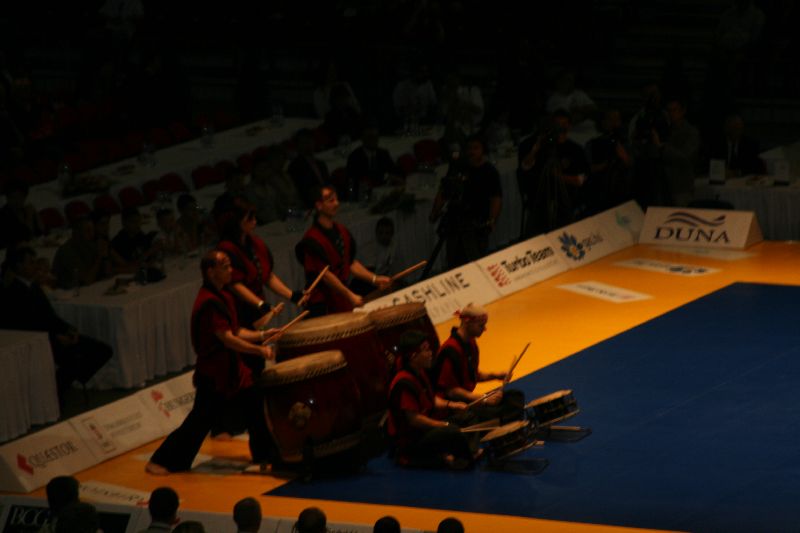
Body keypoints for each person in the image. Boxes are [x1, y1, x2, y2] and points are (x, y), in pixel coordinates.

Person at [145, 250, 280, 475]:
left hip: (233, 369)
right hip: (215, 372)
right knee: (200, 419)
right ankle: (163, 460)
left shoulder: (224, 295)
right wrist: (259, 350)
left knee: (255, 403)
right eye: (225, 267)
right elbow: (227, 339)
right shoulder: (208, 302)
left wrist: (262, 335)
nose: (231, 271)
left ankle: (265, 456)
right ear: (210, 272)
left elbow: (235, 330)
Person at [1, 246, 112, 404]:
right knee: (72, 361)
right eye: (31, 262)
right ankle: (57, 390)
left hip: (54, 336)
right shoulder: (12, 293)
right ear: (19, 266)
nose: (35, 266)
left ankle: (61, 384)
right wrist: (55, 337)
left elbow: (50, 316)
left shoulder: (34, 287)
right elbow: (27, 325)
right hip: (38, 341)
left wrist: (69, 329)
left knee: (103, 351)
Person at [387, 329, 476, 469]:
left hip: (425, 428)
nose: (431, 353)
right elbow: (414, 419)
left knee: (468, 416)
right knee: (452, 431)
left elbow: (430, 399)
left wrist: (452, 405)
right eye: (426, 350)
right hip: (413, 439)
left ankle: (469, 452)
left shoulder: (419, 371)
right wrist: (441, 424)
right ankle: (458, 458)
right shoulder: (403, 383)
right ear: (413, 356)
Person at [296, 185, 390, 316]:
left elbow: (350, 263)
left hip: (341, 298)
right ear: (319, 205)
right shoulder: (312, 240)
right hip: (322, 305)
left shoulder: (342, 231)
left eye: (336, 199)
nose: (337, 203)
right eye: (331, 200)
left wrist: (375, 279)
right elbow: (326, 276)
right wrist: (350, 295)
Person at [216, 197, 307, 330]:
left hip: (255, 310)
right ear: (237, 222)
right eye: (250, 218)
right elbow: (235, 285)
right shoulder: (227, 249)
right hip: (238, 311)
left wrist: (292, 295)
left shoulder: (254, 243)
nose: (255, 221)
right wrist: (260, 304)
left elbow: (267, 276)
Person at [431, 304, 524, 424]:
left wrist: (496, 376)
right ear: (467, 322)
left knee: (514, 396)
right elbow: (450, 390)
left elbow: (472, 375)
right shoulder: (450, 350)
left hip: (468, 401)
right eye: (481, 325)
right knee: (492, 413)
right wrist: (484, 399)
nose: (484, 329)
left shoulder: (471, 343)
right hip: (453, 408)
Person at [429, 135, 502, 269]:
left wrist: (492, 220)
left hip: (477, 223)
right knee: (453, 262)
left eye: (476, 148)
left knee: (476, 263)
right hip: (455, 222)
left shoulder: (489, 171)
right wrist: (435, 212)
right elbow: (444, 191)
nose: (472, 152)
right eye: (469, 148)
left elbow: (496, 198)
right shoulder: (458, 167)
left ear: (483, 150)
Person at [517, 110, 590, 237]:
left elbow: (581, 179)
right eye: (557, 124)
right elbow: (525, 167)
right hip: (539, 202)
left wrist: (559, 177)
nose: (560, 128)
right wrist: (536, 148)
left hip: (566, 202)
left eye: (564, 124)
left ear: (569, 126)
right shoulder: (537, 145)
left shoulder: (575, 149)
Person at [653, 99, 700, 206]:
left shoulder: (691, 132)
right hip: (662, 186)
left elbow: (685, 157)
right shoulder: (665, 130)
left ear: (683, 111)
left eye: (674, 110)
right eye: (669, 111)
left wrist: (662, 147)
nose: (671, 114)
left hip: (681, 187)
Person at [52, 216, 113, 289]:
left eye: (92, 230)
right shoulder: (66, 251)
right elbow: (87, 280)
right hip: (70, 291)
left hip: (90, 288)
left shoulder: (91, 245)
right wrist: (99, 257)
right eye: (87, 231)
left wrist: (105, 255)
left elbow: (108, 273)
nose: (91, 234)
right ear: (77, 233)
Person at [345, 125, 402, 200]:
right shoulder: (355, 157)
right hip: (362, 195)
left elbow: (394, 170)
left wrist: (397, 177)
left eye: (376, 137)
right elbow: (360, 179)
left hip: (383, 193)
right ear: (363, 139)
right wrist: (385, 177)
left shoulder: (383, 153)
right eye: (370, 137)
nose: (374, 140)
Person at [288, 128, 330, 209]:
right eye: (304, 143)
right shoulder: (295, 167)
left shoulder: (320, 164)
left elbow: (327, 182)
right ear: (297, 146)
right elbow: (303, 191)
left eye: (310, 141)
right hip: (311, 205)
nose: (308, 145)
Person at [0, 180, 42, 249]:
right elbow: (25, 238)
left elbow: (41, 232)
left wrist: (36, 214)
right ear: (7, 198)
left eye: (20, 197)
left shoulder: (24, 210)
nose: (17, 201)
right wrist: (29, 217)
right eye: (13, 197)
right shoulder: (4, 215)